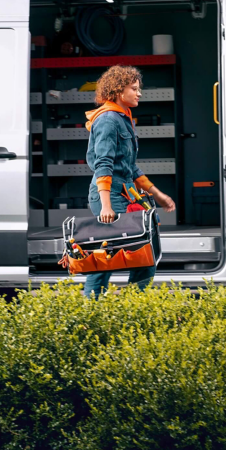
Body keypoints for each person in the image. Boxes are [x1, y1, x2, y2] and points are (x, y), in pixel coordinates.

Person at [82, 65, 176, 297]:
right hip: (110, 195)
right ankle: (93, 311)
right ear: (117, 91)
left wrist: (157, 194)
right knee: (106, 258)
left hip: (126, 193)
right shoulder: (108, 120)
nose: (139, 93)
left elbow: (129, 166)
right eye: (133, 89)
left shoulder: (123, 119)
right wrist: (106, 206)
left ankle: (131, 306)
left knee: (143, 254)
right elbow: (103, 163)